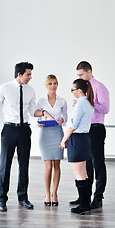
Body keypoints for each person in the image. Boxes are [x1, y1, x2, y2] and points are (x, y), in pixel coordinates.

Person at [0, 62, 53, 212]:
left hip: (24, 130)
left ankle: (23, 198)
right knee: (5, 165)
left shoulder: (30, 90)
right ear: (19, 74)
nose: (30, 77)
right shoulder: (5, 88)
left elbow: (32, 111)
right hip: (9, 130)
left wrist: (43, 113)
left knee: (24, 165)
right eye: (28, 74)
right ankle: (2, 199)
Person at [69, 61, 110, 209]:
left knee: (97, 162)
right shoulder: (83, 88)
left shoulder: (100, 87)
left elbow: (106, 109)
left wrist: (89, 103)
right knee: (86, 164)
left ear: (89, 72)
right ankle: (84, 197)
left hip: (96, 128)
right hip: (84, 130)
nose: (79, 77)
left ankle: (98, 197)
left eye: (81, 74)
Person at [60, 79, 94, 215]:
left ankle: (84, 206)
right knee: (83, 173)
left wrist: (64, 140)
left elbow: (72, 125)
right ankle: (85, 204)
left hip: (77, 139)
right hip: (84, 139)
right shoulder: (87, 103)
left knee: (79, 174)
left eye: (72, 90)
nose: (72, 92)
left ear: (79, 90)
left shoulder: (81, 104)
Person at [37, 74, 68, 206]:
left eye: (55, 83)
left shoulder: (62, 101)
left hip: (57, 133)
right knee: (48, 166)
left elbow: (66, 118)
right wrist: (39, 123)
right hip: (45, 134)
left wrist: (62, 120)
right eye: (50, 84)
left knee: (56, 165)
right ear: (46, 85)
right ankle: (46, 193)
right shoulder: (41, 101)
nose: (53, 86)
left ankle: (54, 193)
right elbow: (37, 116)